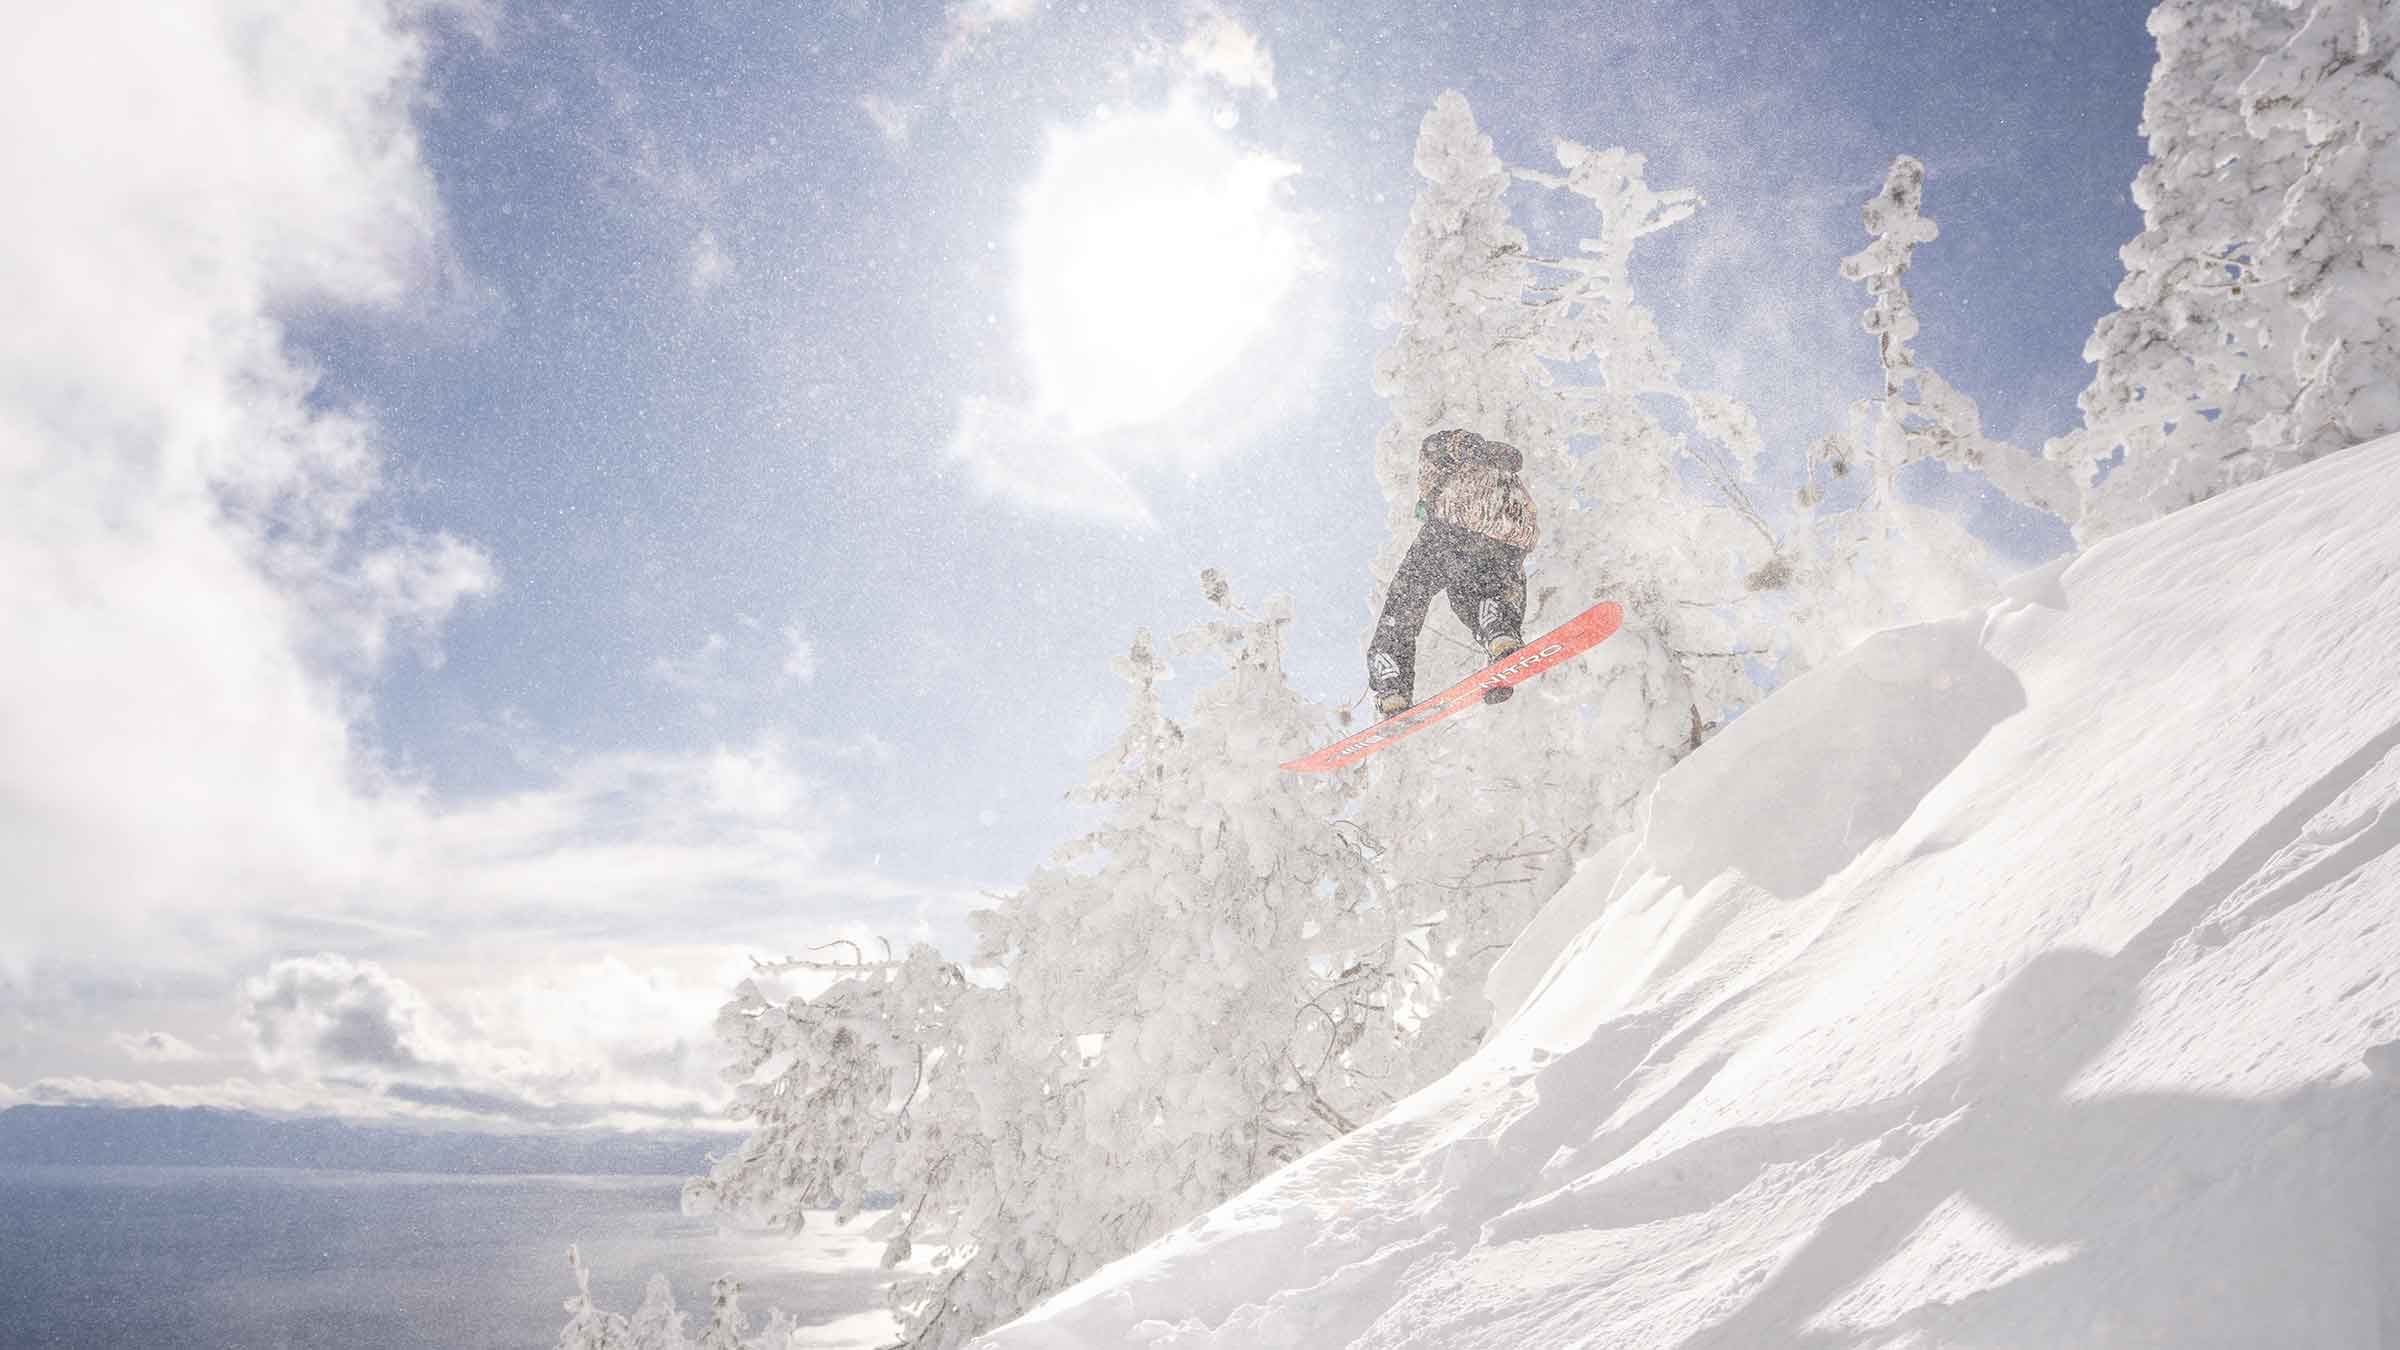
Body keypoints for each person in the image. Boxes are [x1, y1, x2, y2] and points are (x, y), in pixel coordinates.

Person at [1368, 427, 1539, 717]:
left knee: (1407, 596)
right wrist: (1504, 670)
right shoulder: (1499, 475)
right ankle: (1498, 633)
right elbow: (1514, 588)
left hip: (1459, 521)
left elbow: (1439, 444)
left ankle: (1391, 680)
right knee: (1474, 592)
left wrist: (1463, 446)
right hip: (1513, 532)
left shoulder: (1436, 469)